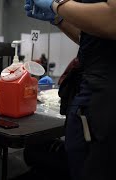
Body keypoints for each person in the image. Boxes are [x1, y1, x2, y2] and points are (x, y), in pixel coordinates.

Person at [25, 0, 116, 180]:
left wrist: (56, 4)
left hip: (105, 95)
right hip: (92, 90)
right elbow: (92, 37)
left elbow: (113, 20)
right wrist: (59, 19)